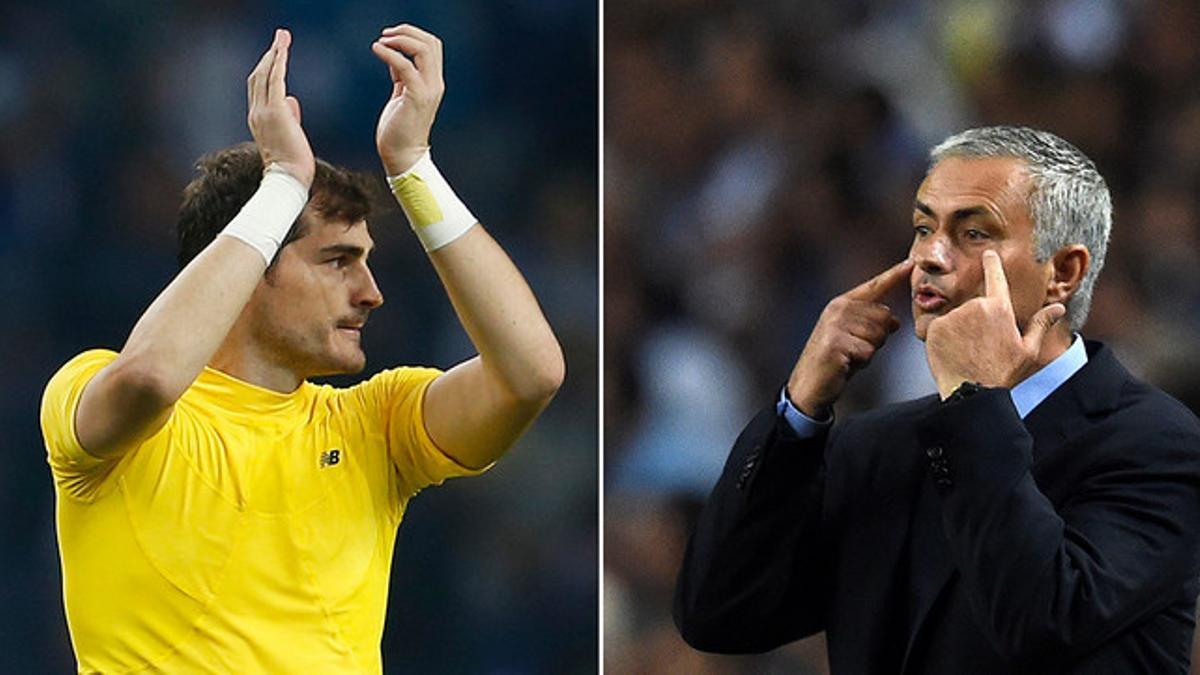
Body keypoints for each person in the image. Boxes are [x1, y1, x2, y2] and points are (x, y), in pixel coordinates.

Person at [40, 24, 564, 672]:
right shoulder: (95, 392)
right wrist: (284, 182)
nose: (371, 292)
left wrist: (414, 166)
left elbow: (531, 372)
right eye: (338, 260)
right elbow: (148, 376)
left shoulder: (376, 424)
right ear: (250, 267)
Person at [674, 126, 1200, 672]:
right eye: (923, 228)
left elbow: (1042, 621)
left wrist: (975, 401)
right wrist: (799, 413)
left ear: (1063, 273)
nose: (931, 256)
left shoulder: (1158, 444)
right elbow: (719, 612)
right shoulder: (875, 445)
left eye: (973, 233)